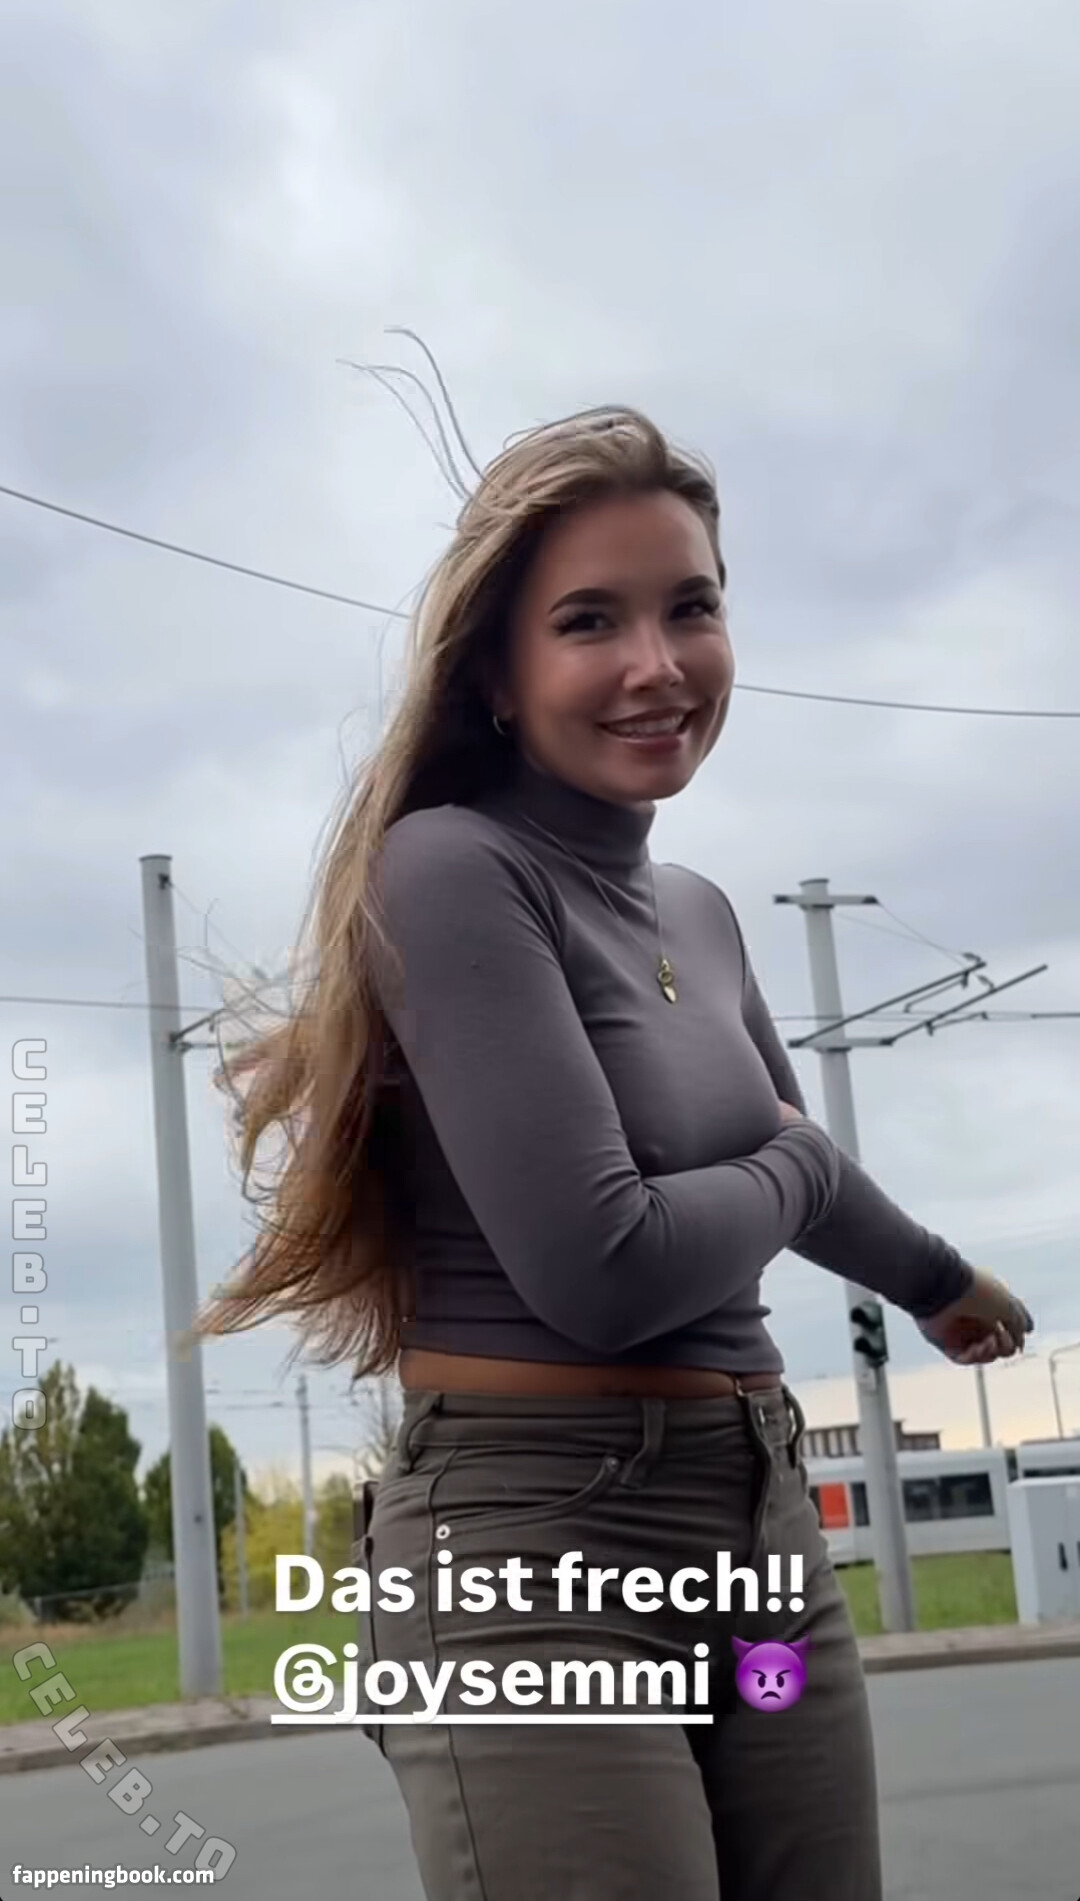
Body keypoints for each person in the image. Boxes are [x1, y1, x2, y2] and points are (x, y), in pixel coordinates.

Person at [200, 406, 1032, 1900]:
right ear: (497, 677)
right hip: (533, 1547)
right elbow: (608, 1266)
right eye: (590, 621)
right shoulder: (452, 868)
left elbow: (796, 1170)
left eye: (690, 607)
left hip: (761, 1529)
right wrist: (792, 1170)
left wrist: (941, 1282)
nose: (658, 663)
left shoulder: (700, 911)